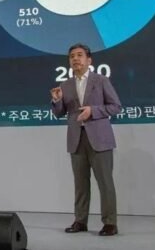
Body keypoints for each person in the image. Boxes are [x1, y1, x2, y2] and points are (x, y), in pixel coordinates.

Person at [50, 43, 122, 236]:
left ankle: (110, 223)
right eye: (72, 56)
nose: (75, 59)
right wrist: (57, 101)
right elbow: (59, 113)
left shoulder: (101, 80)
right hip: (76, 140)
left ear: (89, 60)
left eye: (79, 55)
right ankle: (80, 221)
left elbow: (115, 106)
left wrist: (93, 111)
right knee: (80, 184)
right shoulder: (65, 85)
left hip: (100, 139)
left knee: (105, 183)